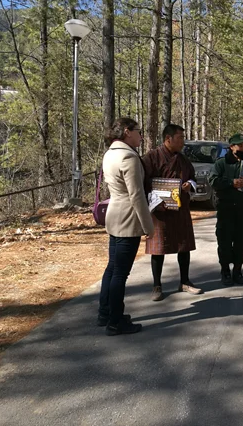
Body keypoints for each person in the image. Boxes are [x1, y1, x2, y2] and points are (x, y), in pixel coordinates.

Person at [98, 117, 154, 336]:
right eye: (138, 131)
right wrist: (148, 226)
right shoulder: (128, 157)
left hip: (115, 214)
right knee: (120, 273)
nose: (141, 135)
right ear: (127, 131)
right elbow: (137, 196)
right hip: (128, 218)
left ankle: (105, 313)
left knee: (112, 268)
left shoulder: (111, 153)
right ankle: (115, 321)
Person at [142, 124, 202, 301]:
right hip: (160, 211)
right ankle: (157, 285)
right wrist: (158, 194)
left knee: (184, 246)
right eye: (180, 138)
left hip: (180, 209)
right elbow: (143, 182)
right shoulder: (152, 157)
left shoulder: (183, 160)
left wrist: (188, 185)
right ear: (168, 139)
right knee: (159, 248)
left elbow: (192, 178)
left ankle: (185, 281)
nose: (183, 142)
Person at [208, 133, 243, 286]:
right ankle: (225, 271)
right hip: (226, 208)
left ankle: (238, 271)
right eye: (240, 145)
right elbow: (213, 180)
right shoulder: (221, 163)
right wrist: (231, 182)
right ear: (231, 147)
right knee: (224, 240)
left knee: (242, 240)